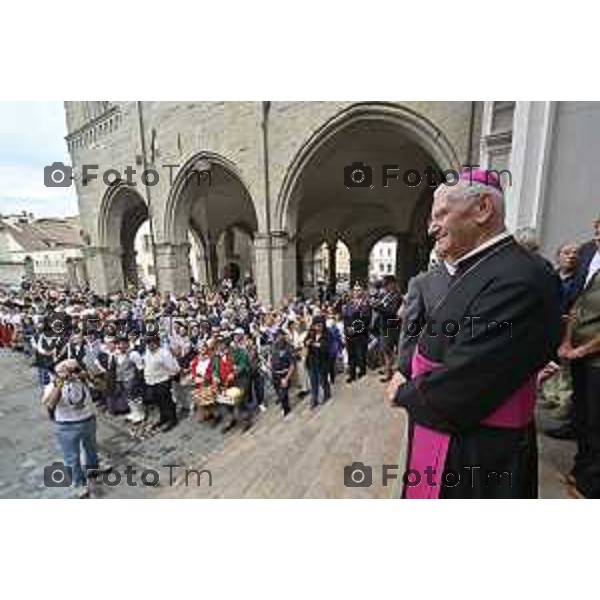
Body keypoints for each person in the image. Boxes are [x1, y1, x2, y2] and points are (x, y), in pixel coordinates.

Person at [385, 167, 562, 499]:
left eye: (441, 214)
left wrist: (404, 392)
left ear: (482, 209)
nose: (432, 227)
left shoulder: (517, 279)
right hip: (459, 440)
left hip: (475, 453)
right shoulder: (481, 266)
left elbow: (463, 386)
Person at [558, 216, 600, 498]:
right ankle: (581, 467)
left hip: (595, 360)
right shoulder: (595, 272)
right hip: (581, 356)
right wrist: (566, 342)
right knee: (583, 417)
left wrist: (580, 350)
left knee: (597, 422)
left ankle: (591, 484)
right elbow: (577, 309)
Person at [41, 359, 100, 498]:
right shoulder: (51, 386)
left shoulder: (82, 380)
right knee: (72, 457)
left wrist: (88, 376)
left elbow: (102, 387)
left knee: (91, 448)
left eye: (74, 369)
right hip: (66, 426)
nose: (72, 373)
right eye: (67, 370)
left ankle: (93, 468)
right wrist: (60, 383)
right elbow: (50, 405)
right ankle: (79, 483)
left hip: (88, 420)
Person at [396, 245, 452, 379]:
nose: (433, 228)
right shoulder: (422, 283)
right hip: (438, 377)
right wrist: (403, 373)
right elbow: (410, 333)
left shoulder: (493, 275)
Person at [143, 334, 180, 432]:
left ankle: (173, 419)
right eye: (148, 343)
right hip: (151, 382)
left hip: (162, 381)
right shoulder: (148, 352)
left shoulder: (164, 353)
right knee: (159, 402)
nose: (149, 345)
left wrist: (169, 377)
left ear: (157, 343)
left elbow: (172, 367)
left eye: (151, 343)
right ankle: (164, 417)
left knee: (167, 401)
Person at [372, 275, 403, 382]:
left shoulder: (397, 297)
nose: (384, 287)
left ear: (392, 284)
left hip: (392, 328)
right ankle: (387, 369)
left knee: (389, 350)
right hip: (384, 327)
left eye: (386, 285)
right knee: (385, 350)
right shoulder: (387, 295)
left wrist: (378, 307)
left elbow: (392, 312)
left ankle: (390, 372)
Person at [343, 285, 371, 382]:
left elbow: (366, 320)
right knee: (351, 355)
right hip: (349, 335)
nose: (356, 292)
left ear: (362, 291)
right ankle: (352, 374)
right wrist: (347, 329)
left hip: (360, 334)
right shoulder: (348, 304)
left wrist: (355, 329)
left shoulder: (365, 305)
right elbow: (345, 318)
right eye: (355, 290)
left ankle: (362, 372)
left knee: (361, 355)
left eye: (359, 290)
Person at [305, 316, 332, 408]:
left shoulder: (327, 334)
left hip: (322, 361)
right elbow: (305, 341)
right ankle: (314, 399)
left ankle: (327, 394)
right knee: (313, 382)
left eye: (320, 326)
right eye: (316, 326)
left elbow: (325, 347)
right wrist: (307, 342)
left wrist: (315, 344)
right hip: (311, 361)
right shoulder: (311, 333)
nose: (318, 328)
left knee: (322, 380)